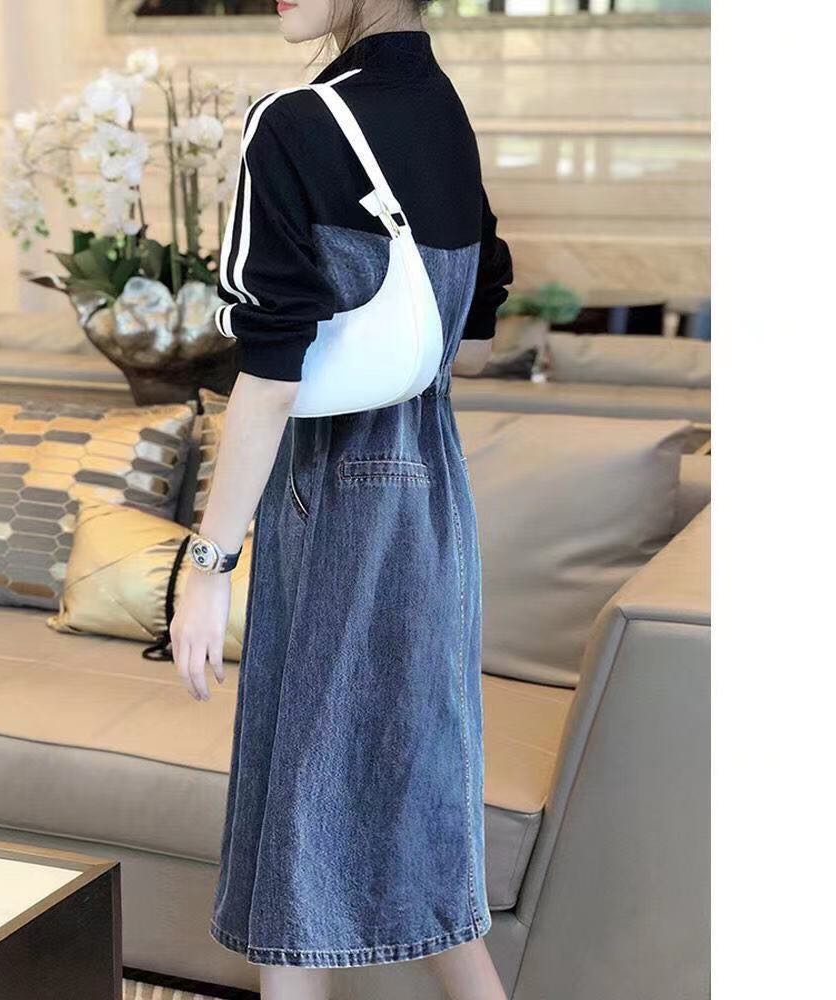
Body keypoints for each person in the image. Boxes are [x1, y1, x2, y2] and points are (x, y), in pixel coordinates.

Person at [169, 2, 514, 998]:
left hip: (333, 491)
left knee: (308, 824)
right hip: (432, 491)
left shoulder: (296, 122)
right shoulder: (441, 109)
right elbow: (477, 319)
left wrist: (208, 564)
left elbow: (272, 376)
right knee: (399, 823)